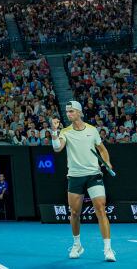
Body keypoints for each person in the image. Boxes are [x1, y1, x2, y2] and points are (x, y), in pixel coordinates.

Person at [50, 100, 116, 262]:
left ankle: (108, 249)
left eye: (71, 111)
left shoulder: (93, 131)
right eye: (67, 112)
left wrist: (107, 162)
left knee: (100, 209)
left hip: (94, 174)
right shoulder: (65, 132)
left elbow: (102, 149)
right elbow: (57, 148)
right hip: (75, 176)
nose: (68, 114)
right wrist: (54, 131)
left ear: (79, 112)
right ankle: (77, 245)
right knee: (74, 213)